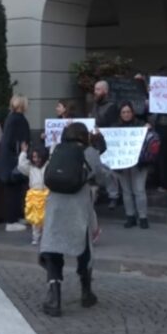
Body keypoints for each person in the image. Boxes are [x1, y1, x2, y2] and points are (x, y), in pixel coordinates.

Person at [39, 121, 110, 317]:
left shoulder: (56, 149)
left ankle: (54, 298)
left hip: (55, 205)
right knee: (83, 248)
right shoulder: (89, 152)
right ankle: (86, 292)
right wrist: (98, 151)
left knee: (53, 250)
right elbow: (102, 177)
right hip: (78, 206)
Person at [110, 102, 151, 229]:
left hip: (139, 164)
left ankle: (143, 217)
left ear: (132, 113)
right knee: (126, 191)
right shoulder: (115, 127)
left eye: (128, 112)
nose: (126, 114)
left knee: (139, 190)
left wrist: (148, 129)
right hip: (122, 164)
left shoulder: (141, 124)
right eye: (123, 112)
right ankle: (130, 216)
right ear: (120, 114)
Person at [0, 95, 33, 232]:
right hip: (14, 159)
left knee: (15, 190)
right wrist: (24, 152)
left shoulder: (10, 118)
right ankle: (11, 220)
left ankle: (16, 217)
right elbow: (22, 140)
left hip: (8, 159)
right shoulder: (19, 119)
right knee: (14, 191)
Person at [19, 141, 49, 245]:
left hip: (47, 195)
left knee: (47, 219)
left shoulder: (48, 165)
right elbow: (21, 165)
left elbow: (53, 156)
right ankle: (36, 237)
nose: (36, 159)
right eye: (34, 157)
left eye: (38, 157)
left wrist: (53, 143)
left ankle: (47, 238)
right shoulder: (30, 167)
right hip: (35, 196)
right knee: (36, 220)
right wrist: (23, 153)